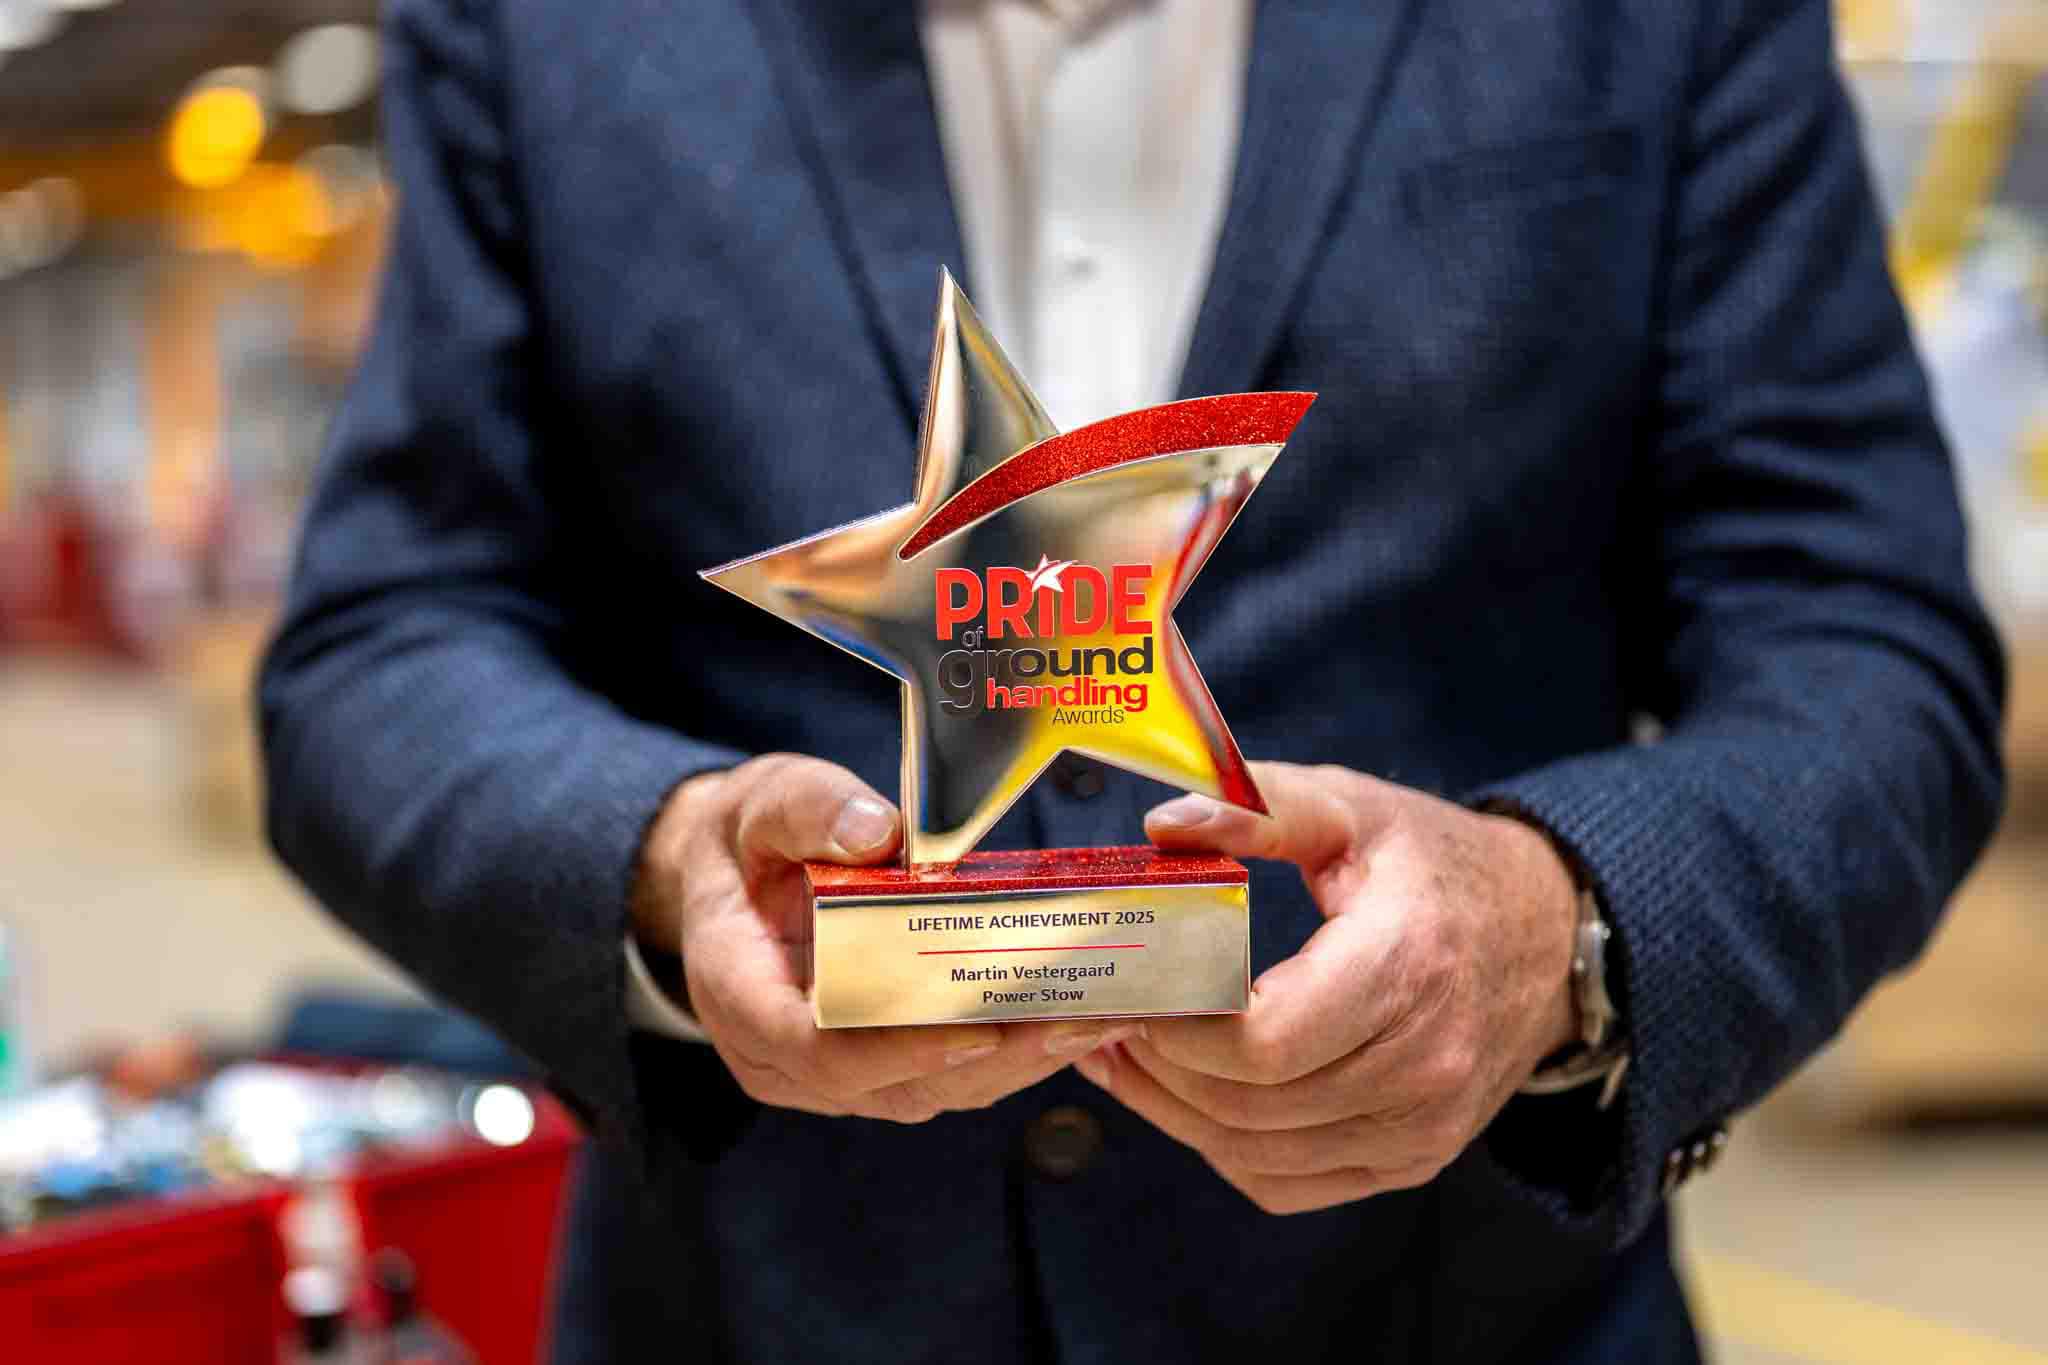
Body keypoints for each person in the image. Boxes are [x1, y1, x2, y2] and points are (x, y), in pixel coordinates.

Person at [259, 0, 2007, 1360]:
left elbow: (1864, 641)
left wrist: (1561, 924)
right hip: (757, 1306)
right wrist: (655, 857)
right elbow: (378, 648)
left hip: (1464, 1316)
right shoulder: (542, 28)